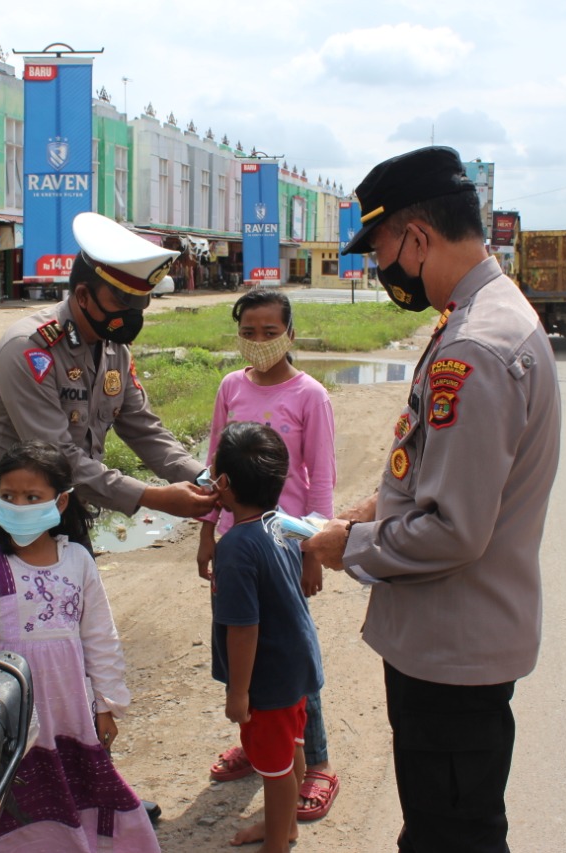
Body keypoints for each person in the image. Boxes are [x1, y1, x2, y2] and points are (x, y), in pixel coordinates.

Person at [303, 146, 562, 852]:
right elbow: (440, 473)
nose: (379, 266)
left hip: (450, 655)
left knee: (452, 835)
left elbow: (453, 529)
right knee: (450, 824)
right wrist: (367, 511)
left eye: (381, 248)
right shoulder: (482, 314)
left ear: (417, 238)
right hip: (458, 644)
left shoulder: (473, 345)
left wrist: (345, 545)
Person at [0, 211, 217, 660]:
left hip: (60, 520)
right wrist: (153, 497)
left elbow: (142, 425)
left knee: (68, 653)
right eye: (124, 302)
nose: (133, 315)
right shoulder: (29, 349)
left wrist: (200, 476)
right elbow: (60, 460)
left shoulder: (114, 350)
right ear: (84, 294)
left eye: (140, 304)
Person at [0, 440, 160, 852]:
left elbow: (100, 637)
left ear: (60, 503)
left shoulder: (78, 561)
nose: (19, 505)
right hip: (19, 717)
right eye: (8, 497)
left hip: (72, 709)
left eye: (32, 497)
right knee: (23, 795)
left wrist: (107, 704)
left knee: (83, 788)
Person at [197, 289, 342, 822]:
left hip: (288, 540)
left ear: (290, 334)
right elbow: (215, 464)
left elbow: (320, 479)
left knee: (287, 649)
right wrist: (209, 531)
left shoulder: (311, 396)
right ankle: (261, 746)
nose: (259, 342)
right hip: (238, 535)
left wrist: (314, 551)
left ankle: (318, 761)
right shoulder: (230, 386)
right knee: (240, 636)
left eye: (269, 332)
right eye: (249, 332)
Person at [206, 421, 323, 852]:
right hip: (296, 667)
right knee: (291, 752)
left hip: (267, 682)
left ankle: (277, 844)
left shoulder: (236, 548)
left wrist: (238, 693)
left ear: (224, 484)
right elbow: (314, 541)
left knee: (273, 771)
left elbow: (243, 629)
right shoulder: (283, 524)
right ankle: (285, 827)